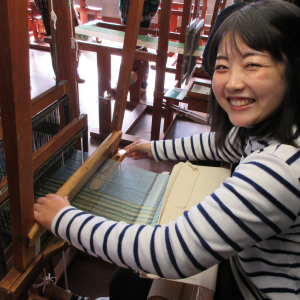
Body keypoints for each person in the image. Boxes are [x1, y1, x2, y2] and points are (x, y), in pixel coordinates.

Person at [34, 1, 300, 299]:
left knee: (138, 280)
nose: (233, 82)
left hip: (254, 292)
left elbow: (170, 252)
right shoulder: (274, 131)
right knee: (127, 280)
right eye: (223, 66)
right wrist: (156, 149)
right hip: (245, 269)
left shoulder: (281, 168)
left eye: (252, 64)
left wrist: (63, 219)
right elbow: (225, 144)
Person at [33, 0, 86, 83]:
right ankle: (60, 77)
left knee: (74, 42)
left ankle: (74, 74)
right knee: (55, 45)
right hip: (49, 9)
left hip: (68, 6)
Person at [119, 0, 160, 93]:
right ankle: (131, 81)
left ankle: (141, 83)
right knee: (130, 50)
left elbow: (155, 2)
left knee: (140, 51)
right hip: (127, 19)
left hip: (141, 20)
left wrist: (151, 14)